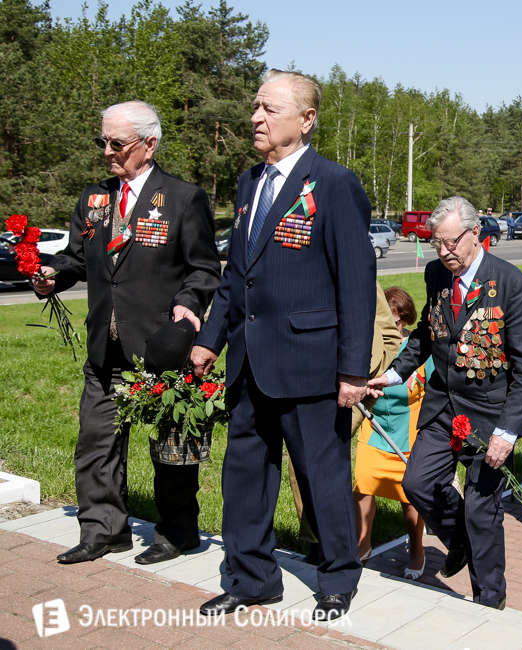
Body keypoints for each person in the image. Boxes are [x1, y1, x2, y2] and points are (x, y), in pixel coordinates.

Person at [190, 69, 376, 618]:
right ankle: (252, 577)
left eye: (269, 109)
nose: (255, 118)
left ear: (306, 120)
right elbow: (236, 277)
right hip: (249, 361)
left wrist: (352, 370)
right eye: (256, 108)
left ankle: (339, 576)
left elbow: (357, 285)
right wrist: (208, 340)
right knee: (245, 474)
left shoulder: (334, 183)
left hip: (312, 364)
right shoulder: (251, 183)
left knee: (322, 476)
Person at [33, 100, 222, 566]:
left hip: (161, 348)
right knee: (96, 443)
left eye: (117, 143)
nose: (107, 152)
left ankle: (177, 532)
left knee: (170, 450)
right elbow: (77, 257)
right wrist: (52, 275)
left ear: (149, 143)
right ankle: (102, 530)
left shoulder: (182, 198)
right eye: (103, 141)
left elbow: (204, 270)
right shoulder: (94, 199)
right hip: (105, 346)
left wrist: (187, 304)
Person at [367, 196, 522, 610]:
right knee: (417, 483)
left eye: (451, 243)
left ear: (474, 234)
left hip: (489, 417)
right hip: (443, 407)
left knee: (483, 510)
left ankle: (489, 600)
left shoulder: (511, 284)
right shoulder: (436, 275)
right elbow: (428, 334)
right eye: (436, 243)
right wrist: (394, 373)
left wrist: (507, 430)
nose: (444, 252)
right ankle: (459, 541)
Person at [291, 282, 399, 565]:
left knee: (322, 456)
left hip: (356, 387)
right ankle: (318, 539)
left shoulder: (359, 275)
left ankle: (332, 544)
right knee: (300, 461)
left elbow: (389, 333)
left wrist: (372, 373)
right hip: (309, 381)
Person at [352, 287, 430, 579]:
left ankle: (417, 549)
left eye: (396, 322)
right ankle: (363, 544)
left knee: (409, 498)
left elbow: (434, 388)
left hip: (408, 431)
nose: (391, 327)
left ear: (405, 321)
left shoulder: (417, 348)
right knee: (362, 485)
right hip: (374, 427)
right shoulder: (370, 345)